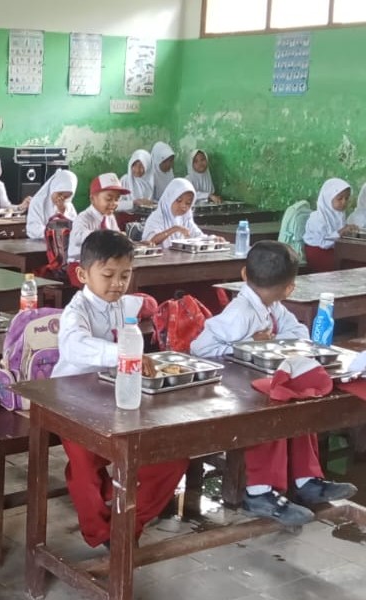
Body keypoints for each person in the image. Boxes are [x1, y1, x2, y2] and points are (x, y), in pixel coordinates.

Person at [191, 241, 357, 525]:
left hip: (255, 377)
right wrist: (244, 344)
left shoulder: (272, 306)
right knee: (274, 404)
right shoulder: (240, 313)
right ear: (290, 287)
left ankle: (306, 480)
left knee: (300, 397)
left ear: (244, 273)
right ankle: (259, 491)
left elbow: (299, 333)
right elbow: (199, 348)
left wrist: (270, 341)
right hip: (230, 388)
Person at [51, 230, 185, 548]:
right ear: (83, 275)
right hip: (72, 401)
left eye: (125, 276)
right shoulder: (77, 311)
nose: (117, 284)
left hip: (118, 396)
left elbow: (146, 304)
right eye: (108, 275)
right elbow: (74, 346)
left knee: (173, 457)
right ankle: (100, 532)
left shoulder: (123, 304)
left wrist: (152, 306)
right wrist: (124, 354)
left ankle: (127, 525)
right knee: (85, 467)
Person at [65, 173, 127, 288]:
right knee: (105, 285)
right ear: (93, 199)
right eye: (109, 199)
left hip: (103, 265)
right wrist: (105, 236)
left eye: (117, 199)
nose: (113, 203)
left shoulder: (110, 217)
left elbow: (116, 237)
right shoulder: (84, 217)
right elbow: (78, 237)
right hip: (80, 266)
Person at [303, 178, 359, 272]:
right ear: (328, 198)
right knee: (351, 266)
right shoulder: (317, 218)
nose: (344, 202)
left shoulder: (339, 214)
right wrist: (342, 232)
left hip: (333, 249)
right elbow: (323, 242)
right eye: (340, 198)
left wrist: (349, 231)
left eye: (347, 198)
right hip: (318, 252)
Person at [142, 178, 204, 248]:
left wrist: (210, 239)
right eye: (179, 200)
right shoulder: (157, 217)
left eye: (188, 203)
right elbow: (149, 242)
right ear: (170, 198)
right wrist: (174, 229)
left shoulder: (186, 218)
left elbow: (199, 236)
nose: (183, 206)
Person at [25, 169, 78, 240]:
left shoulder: (68, 206)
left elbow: (75, 228)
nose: (61, 199)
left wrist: (62, 211)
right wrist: (52, 233)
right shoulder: (37, 202)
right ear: (53, 188)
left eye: (66, 197)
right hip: (39, 242)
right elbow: (33, 228)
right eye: (60, 194)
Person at [118, 149, 154, 214]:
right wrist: (133, 203)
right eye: (134, 165)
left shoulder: (151, 182)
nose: (137, 170)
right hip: (126, 217)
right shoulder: (125, 180)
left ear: (148, 166)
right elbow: (115, 205)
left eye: (142, 166)